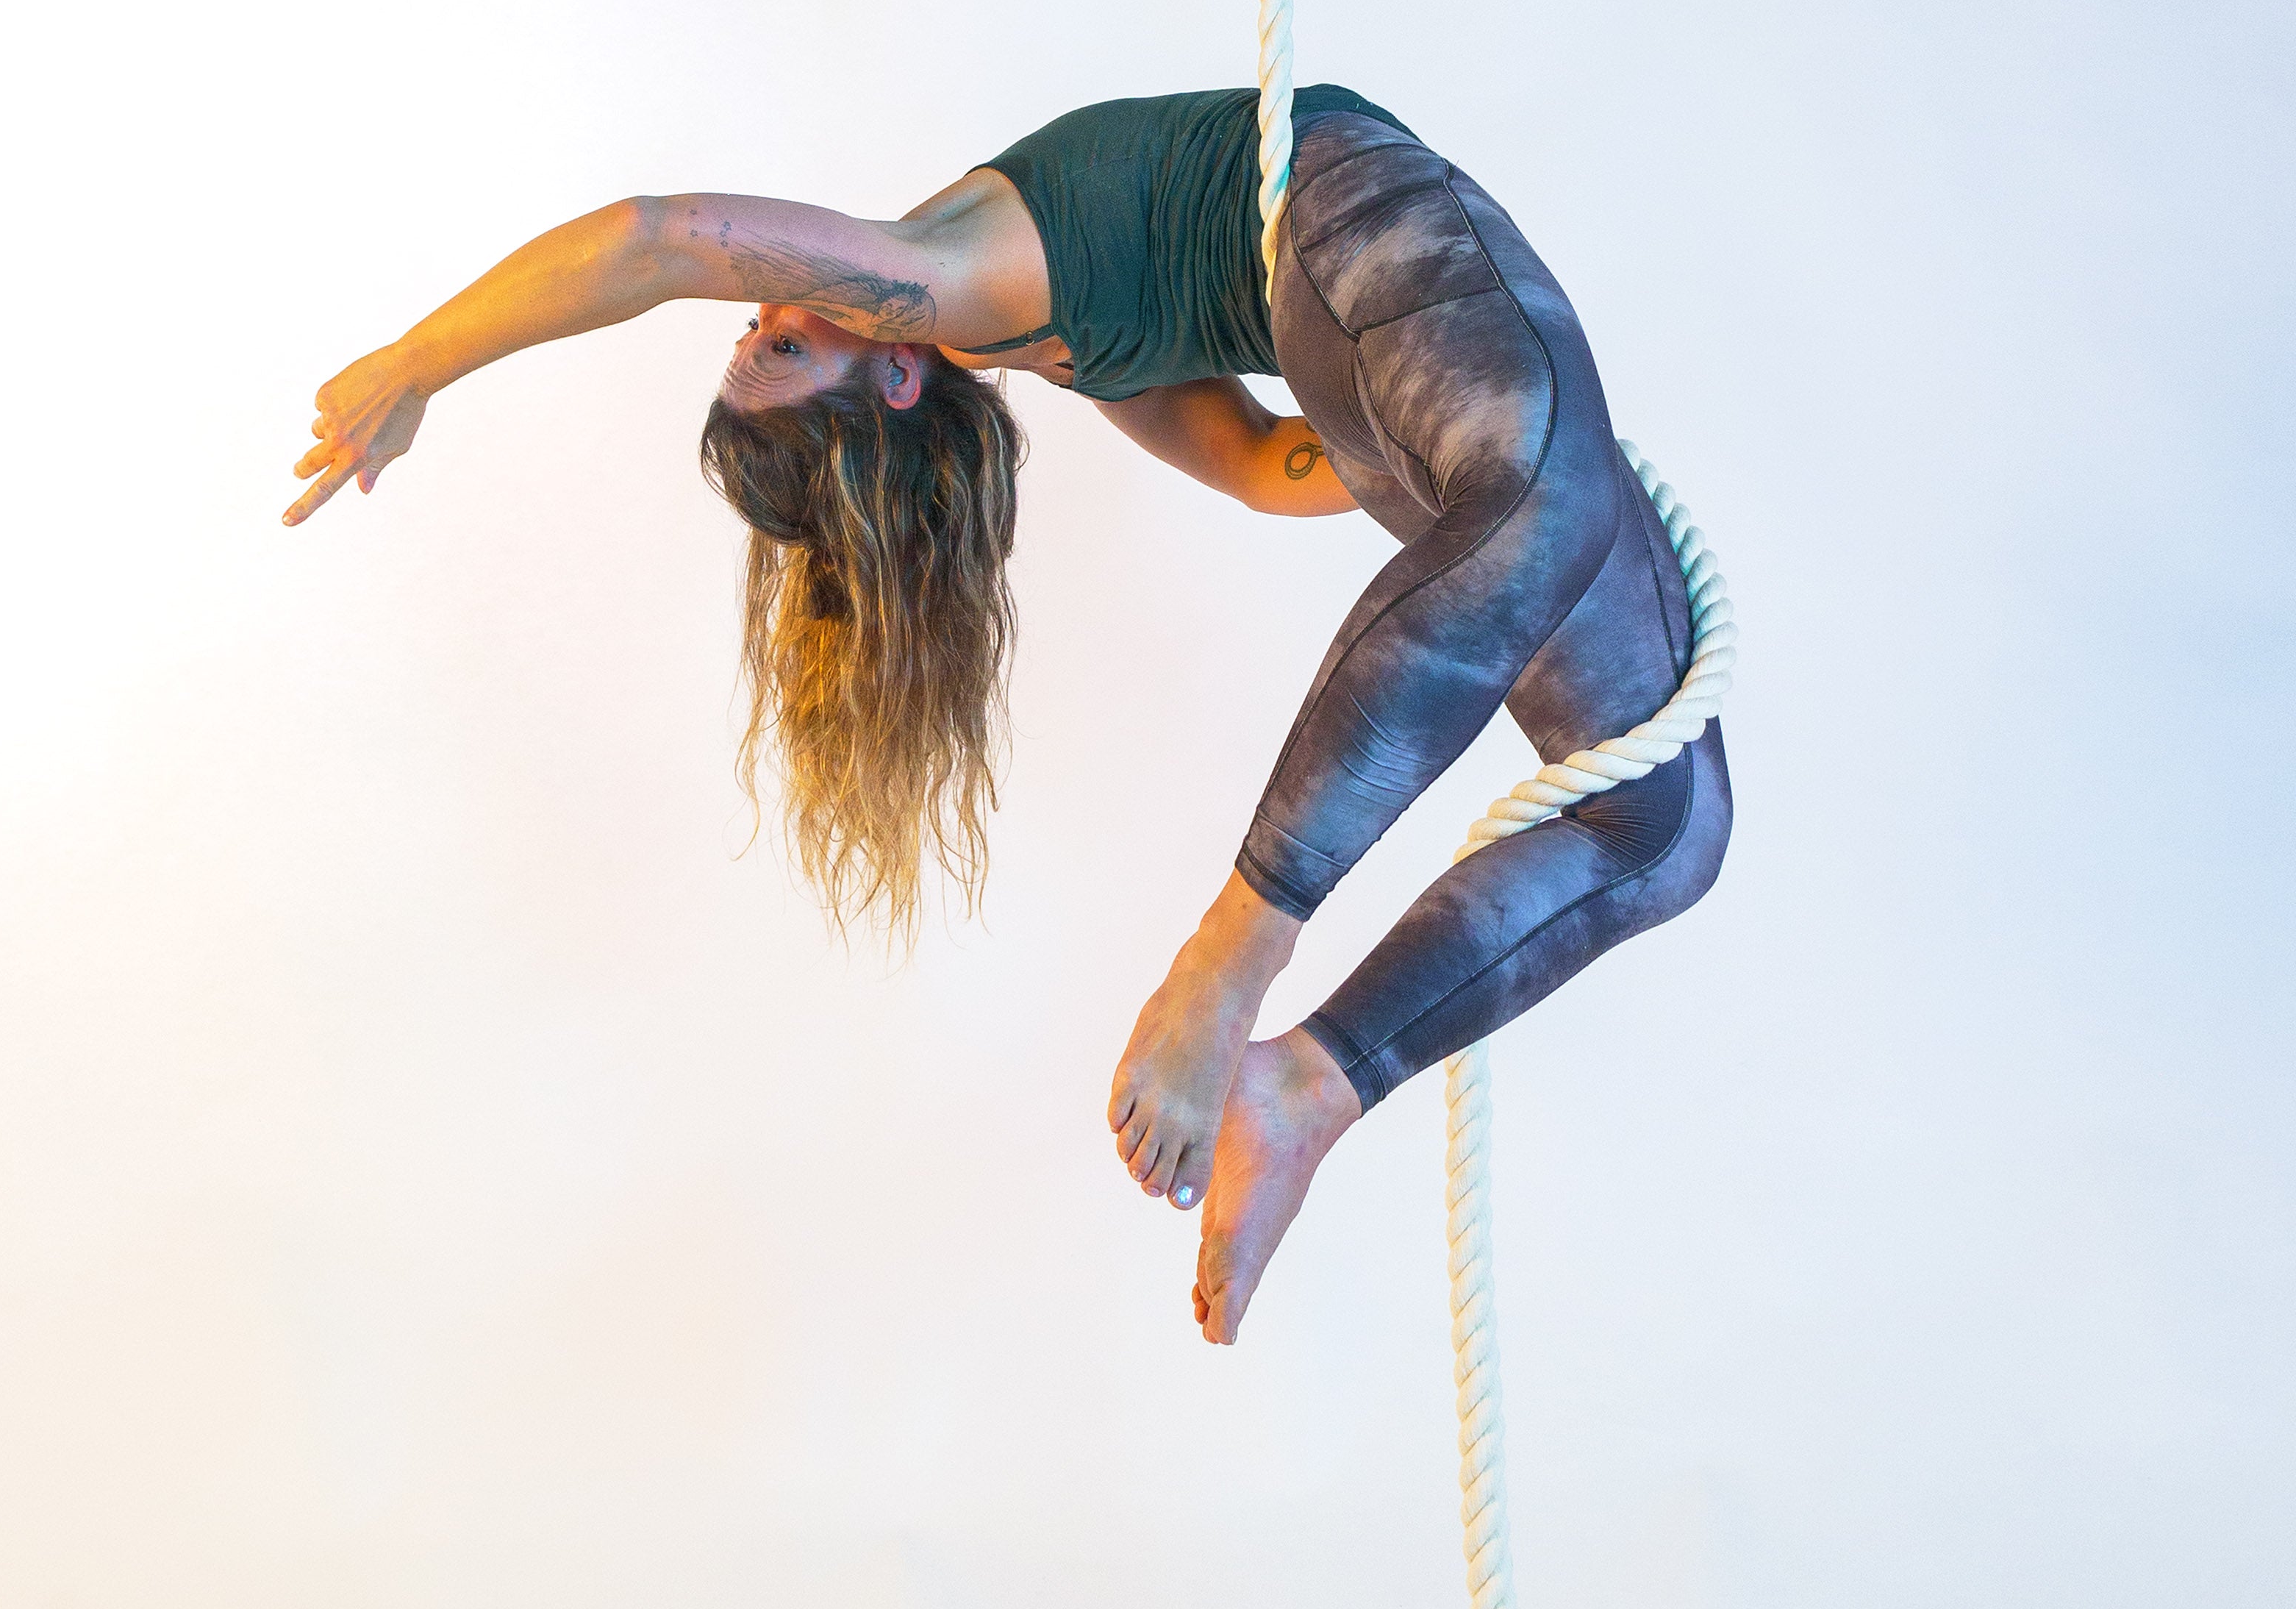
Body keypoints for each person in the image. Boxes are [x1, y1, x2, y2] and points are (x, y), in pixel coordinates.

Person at [287, 86, 1732, 1344]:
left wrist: (1471, 452)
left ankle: (1276, 925)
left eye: (753, 338)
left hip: (1355, 232)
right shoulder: (944, 286)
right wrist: (412, 364)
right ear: (894, 366)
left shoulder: (1024, 315)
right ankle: (1300, 1074)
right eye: (781, 351)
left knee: (1658, 805)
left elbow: (1260, 462)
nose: (762, 312)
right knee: (1640, 770)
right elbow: (657, 236)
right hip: (1373, 314)